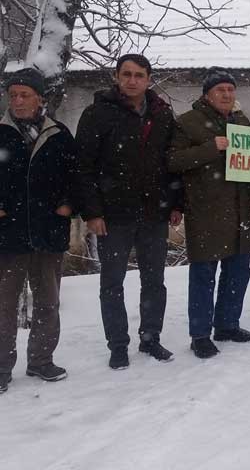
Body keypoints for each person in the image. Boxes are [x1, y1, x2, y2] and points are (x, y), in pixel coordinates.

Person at [75, 54, 182, 369]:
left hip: (154, 212)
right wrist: (93, 212)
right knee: (112, 282)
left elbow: (171, 163)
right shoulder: (97, 114)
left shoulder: (162, 114)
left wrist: (176, 203)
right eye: (126, 74)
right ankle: (118, 345)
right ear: (116, 77)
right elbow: (83, 168)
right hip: (113, 215)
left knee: (154, 280)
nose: (132, 80)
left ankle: (151, 338)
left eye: (139, 75)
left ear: (149, 79)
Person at [168, 69, 250, 358]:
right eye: (220, 90)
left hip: (240, 208)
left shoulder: (242, 121)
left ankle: (228, 324)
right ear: (207, 94)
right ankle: (201, 334)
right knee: (204, 274)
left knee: (238, 271)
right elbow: (173, 161)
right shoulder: (187, 123)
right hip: (206, 209)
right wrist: (211, 148)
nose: (227, 95)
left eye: (231, 90)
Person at [0, 68, 76, 393]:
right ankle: (2, 367)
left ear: (40, 98)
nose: (17, 100)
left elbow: (77, 175)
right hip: (8, 235)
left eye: (24, 94)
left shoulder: (58, 134)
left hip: (48, 233)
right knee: (3, 304)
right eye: (13, 94)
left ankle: (41, 361)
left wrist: (69, 204)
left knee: (48, 301)